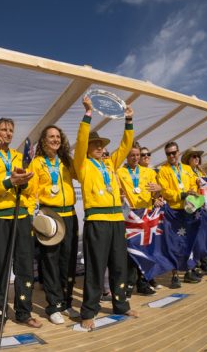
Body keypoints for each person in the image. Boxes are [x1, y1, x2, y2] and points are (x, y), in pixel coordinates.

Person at [75, 96, 138, 331]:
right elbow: (81, 141)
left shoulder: (111, 163)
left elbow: (125, 144)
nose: (101, 147)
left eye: (102, 144)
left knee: (119, 266)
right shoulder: (82, 164)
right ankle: (89, 311)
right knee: (95, 268)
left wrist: (129, 119)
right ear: (89, 147)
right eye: (96, 144)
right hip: (97, 221)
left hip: (116, 221)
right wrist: (88, 115)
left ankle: (121, 305)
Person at [0, 118, 39, 335]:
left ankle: (24, 312)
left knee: (25, 266)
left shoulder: (20, 156)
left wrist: (25, 179)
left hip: (21, 216)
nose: (7, 133)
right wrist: (9, 182)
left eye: (10, 130)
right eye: (3, 130)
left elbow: (29, 191)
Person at [28, 124, 78, 324]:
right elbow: (32, 192)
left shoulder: (66, 161)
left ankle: (67, 303)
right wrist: (34, 216)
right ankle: (53, 306)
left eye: (58, 136)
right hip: (51, 216)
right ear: (43, 140)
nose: (56, 139)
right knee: (50, 262)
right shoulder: (37, 163)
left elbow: (81, 171)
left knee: (68, 262)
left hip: (70, 215)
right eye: (51, 136)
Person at [117, 143, 162, 296]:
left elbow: (155, 195)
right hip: (129, 215)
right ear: (127, 157)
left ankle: (143, 283)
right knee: (130, 251)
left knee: (145, 250)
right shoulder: (119, 172)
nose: (136, 158)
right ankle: (129, 286)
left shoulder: (148, 172)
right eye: (132, 155)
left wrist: (158, 192)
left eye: (138, 155)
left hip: (145, 214)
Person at [157, 142, 201, 288]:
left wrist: (193, 192)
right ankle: (175, 275)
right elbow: (164, 191)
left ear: (178, 152)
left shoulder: (188, 168)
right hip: (173, 211)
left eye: (173, 153)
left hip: (188, 209)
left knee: (189, 240)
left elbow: (193, 185)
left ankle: (189, 271)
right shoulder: (163, 170)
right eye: (168, 154)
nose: (171, 156)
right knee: (174, 243)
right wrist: (182, 194)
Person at [181, 147, 207, 276]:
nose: (196, 158)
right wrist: (194, 189)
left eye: (197, 156)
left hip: (202, 205)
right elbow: (186, 187)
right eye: (193, 156)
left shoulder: (201, 172)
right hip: (193, 206)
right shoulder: (187, 172)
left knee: (204, 235)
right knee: (195, 237)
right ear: (188, 159)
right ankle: (196, 265)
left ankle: (206, 263)